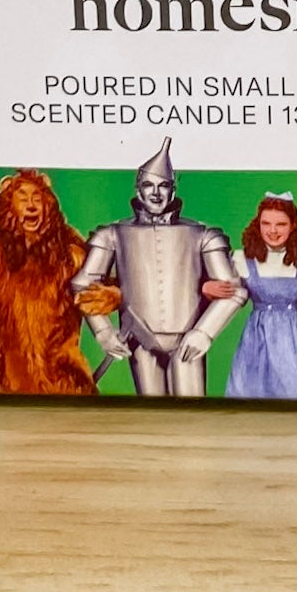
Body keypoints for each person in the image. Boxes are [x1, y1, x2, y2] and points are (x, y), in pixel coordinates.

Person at [67, 137, 244, 398]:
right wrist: (103, 332)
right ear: (138, 189)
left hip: (188, 340)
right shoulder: (112, 234)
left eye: (163, 186)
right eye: (148, 185)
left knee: (191, 411)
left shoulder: (203, 235)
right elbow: (82, 284)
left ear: (173, 190)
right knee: (151, 411)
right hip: (140, 340)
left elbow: (234, 290)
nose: (156, 193)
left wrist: (204, 332)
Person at [0, 168, 120, 396]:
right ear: (9, 205)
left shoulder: (69, 250)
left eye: (37, 198)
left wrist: (112, 296)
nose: (31, 206)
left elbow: (97, 285)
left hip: (68, 381)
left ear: (48, 205)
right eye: (23, 198)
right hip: (14, 381)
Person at [213, 192, 297, 402]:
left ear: (293, 226)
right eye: (266, 224)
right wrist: (207, 286)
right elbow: (225, 290)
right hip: (257, 340)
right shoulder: (241, 259)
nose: (272, 231)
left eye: (281, 224)